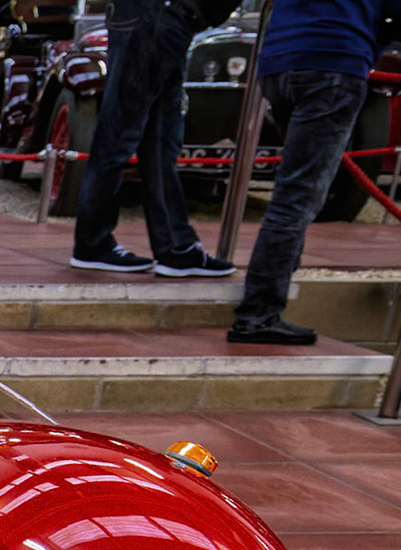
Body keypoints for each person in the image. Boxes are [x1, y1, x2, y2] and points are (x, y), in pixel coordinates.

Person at [229, 0, 395, 343]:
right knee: (298, 195)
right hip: (336, 58)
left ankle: (272, 292)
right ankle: (259, 313)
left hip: (280, 59)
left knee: (293, 189)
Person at [69, 0, 238, 275]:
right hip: (158, 15)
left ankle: (174, 245)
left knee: (158, 137)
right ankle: (94, 242)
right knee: (123, 133)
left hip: (160, 16)